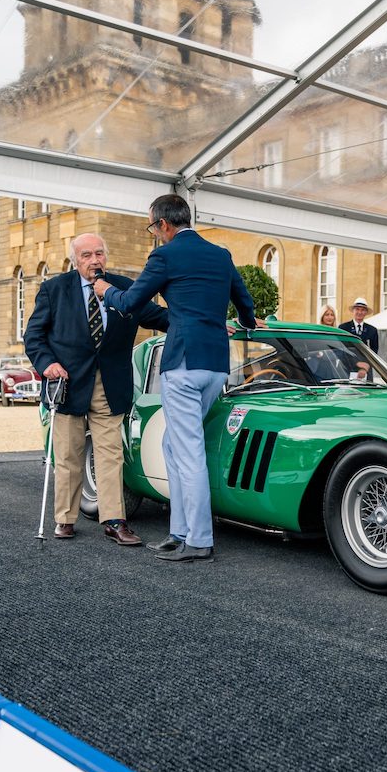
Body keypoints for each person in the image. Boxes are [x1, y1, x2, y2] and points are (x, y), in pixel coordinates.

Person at [98, 194, 256, 563]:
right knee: (173, 444)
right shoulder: (221, 254)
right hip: (216, 364)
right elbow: (245, 304)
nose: (155, 234)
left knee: (187, 452)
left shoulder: (165, 256)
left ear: (163, 224)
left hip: (183, 364)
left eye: (153, 227)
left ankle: (199, 540)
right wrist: (248, 323)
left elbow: (130, 303)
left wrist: (106, 291)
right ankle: (178, 531)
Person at [24, 233, 169, 542]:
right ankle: (65, 518)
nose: (95, 260)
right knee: (68, 455)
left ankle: (115, 520)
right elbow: (34, 337)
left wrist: (204, 319)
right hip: (67, 382)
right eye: (87, 255)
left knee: (110, 454)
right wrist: (47, 363)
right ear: (75, 261)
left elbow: (160, 317)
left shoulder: (126, 288)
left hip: (110, 382)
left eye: (99, 254)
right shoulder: (53, 289)